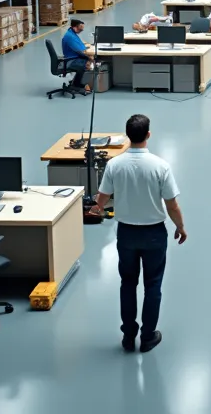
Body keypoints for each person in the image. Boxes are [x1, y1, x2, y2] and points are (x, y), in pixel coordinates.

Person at [91, 114, 187, 354]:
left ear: (127, 136)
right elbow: (172, 204)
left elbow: (102, 197)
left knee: (128, 283)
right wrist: (180, 227)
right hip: (154, 234)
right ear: (148, 135)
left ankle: (128, 336)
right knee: (153, 285)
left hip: (126, 234)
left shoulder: (114, 164)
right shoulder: (160, 166)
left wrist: (97, 208)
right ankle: (147, 337)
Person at [61, 19, 94, 94]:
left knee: (87, 60)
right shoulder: (70, 37)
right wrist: (90, 58)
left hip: (73, 57)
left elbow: (80, 45)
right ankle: (76, 85)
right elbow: (80, 51)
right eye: (80, 29)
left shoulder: (72, 33)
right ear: (75, 27)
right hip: (71, 60)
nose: (80, 31)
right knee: (87, 63)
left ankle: (76, 83)